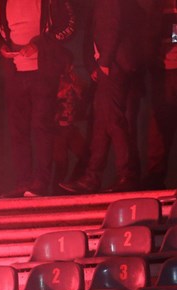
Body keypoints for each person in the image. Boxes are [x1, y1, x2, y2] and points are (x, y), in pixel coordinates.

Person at [0, 0, 76, 198]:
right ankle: (23, 181)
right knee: (18, 129)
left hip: (43, 73)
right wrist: (0, 47)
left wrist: (39, 45)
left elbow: (69, 27)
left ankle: (40, 183)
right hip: (15, 73)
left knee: (41, 126)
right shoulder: (1, 3)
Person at [59, 0, 149, 194]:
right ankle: (92, 176)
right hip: (113, 66)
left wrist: (105, 62)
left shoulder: (109, 3)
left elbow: (111, 28)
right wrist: (96, 64)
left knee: (113, 120)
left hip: (113, 66)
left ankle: (126, 175)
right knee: (102, 121)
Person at [143, 0, 177, 190]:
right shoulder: (157, 5)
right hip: (163, 70)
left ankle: (155, 175)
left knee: (159, 124)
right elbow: (150, 33)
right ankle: (155, 176)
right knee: (159, 124)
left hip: (167, 68)